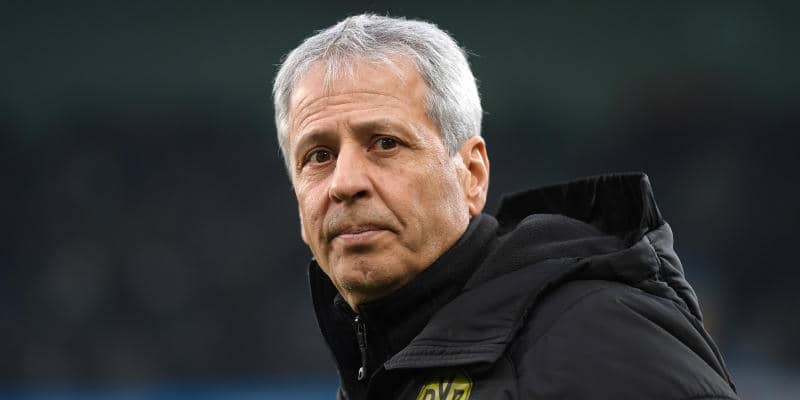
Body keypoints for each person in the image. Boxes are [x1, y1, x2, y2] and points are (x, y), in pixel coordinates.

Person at [272, 13, 739, 400]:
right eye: (319, 155)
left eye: (385, 143)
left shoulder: (597, 333)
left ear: (472, 174)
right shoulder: (380, 368)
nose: (345, 183)